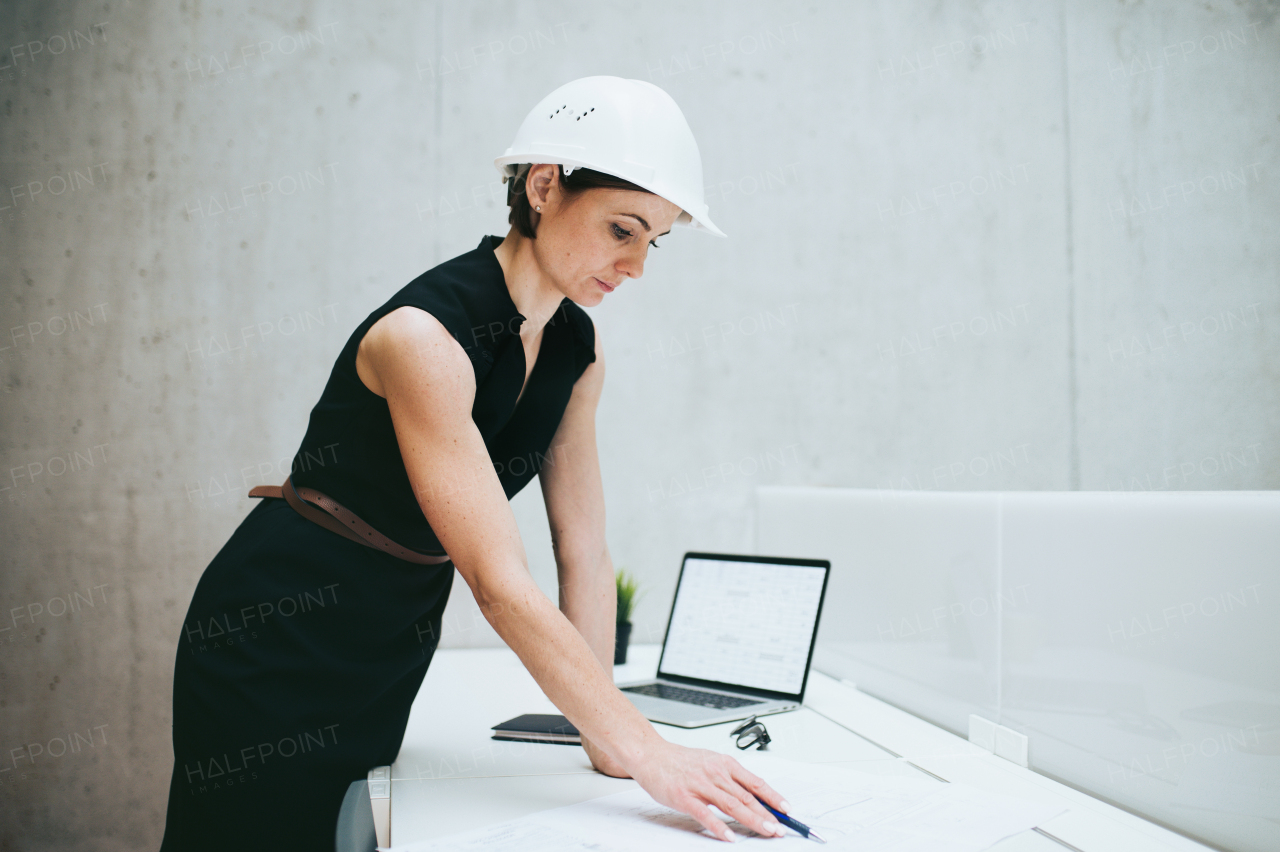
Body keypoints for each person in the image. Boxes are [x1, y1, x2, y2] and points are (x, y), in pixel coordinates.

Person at [159, 75, 790, 850]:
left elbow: (583, 549)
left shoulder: (576, 350)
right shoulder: (423, 338)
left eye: (652, 241)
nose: (637, 268)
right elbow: (497, 581)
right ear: (545, 185)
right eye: (622, 230)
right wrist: (648, 747)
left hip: (392, 633)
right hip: (281, 628)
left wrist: (608, 744)